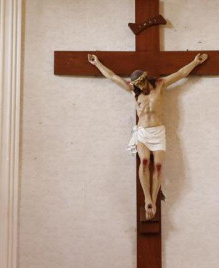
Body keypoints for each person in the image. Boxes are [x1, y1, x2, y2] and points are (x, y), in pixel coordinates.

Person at [87, 52, 207, 220]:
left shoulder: (160, 85)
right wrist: (97, 63)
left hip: (158, 132)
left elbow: (180, 74)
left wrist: (195, 62)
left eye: (142, 83)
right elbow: (113, 77)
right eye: (137, 85)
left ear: (145, 78)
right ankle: (147, 198)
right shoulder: (134, 91)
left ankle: (154, 198)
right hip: (143, 132)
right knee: (144, 161)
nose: (141, 86)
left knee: (158, 165)